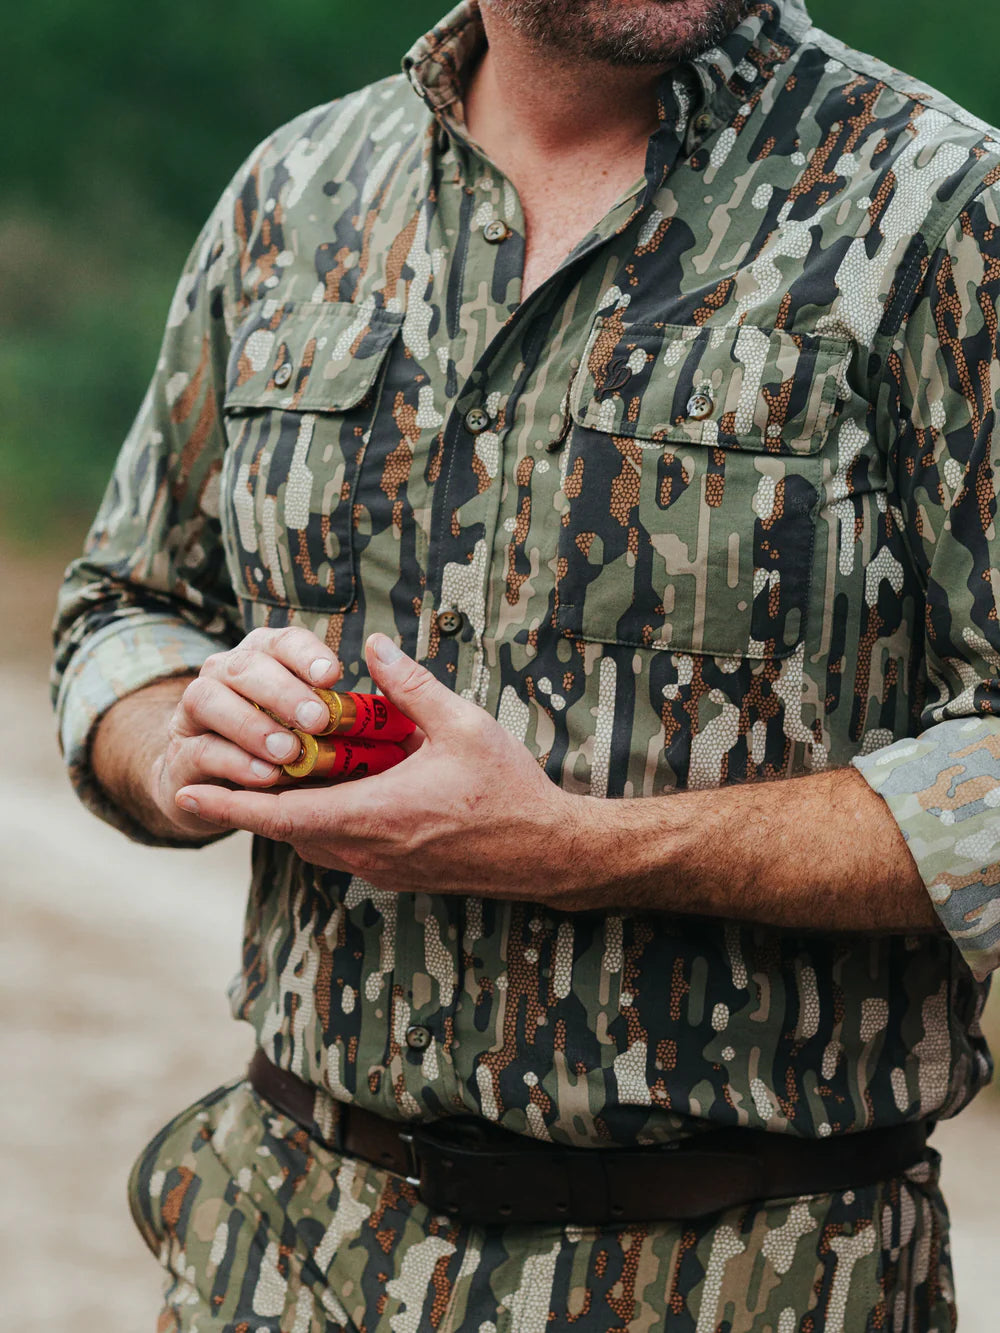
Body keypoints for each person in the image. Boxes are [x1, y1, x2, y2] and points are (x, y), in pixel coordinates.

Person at [52, 0, 1000, 1326]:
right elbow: (122, 608)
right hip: (289, 1255)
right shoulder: (298, 193)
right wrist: (174, 739)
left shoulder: (942, 209)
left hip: (752, 1276)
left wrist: (578, 848)